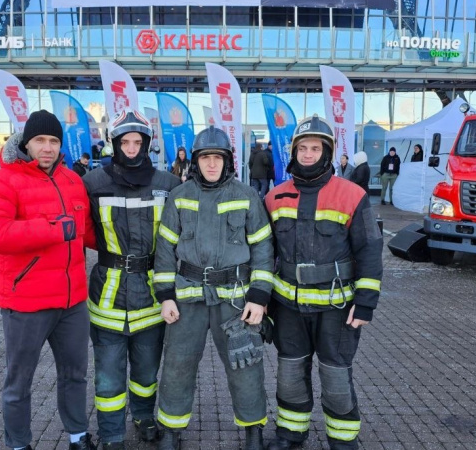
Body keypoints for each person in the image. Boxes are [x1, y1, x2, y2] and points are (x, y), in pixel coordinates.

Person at [0, 110, 97, 450]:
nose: (47, 148)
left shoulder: (72, 180)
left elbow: (87, 232)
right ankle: (19, 444)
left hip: (72, 302)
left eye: (54, 141)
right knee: (19, 381)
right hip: (26, 303)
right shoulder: (1, 181)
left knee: (75, 375)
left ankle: (77, 436)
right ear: (25, 142)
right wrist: (52, 229)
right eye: (40, 140)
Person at [264, 115, 383, 450]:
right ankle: (290, 433)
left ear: (327, 151)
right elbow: (264, 254)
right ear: (294, 151)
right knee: (289, 375)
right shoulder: (274, 197)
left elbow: (370, 251)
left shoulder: (352, 195)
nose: (307, 153)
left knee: (335, 375)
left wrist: (365, 303)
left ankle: (343, 441)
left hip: (337, 308)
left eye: (315, 147)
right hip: (287, 307)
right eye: (302, 147)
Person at [153, 126, 275, 450]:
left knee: (246, 366)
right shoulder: (179, 197)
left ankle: (253, 431)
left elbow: (263, 249)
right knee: (177, 364)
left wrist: (260, 297)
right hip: (187, 298)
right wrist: (165, 297)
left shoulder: (246, 196)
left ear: (227, 161)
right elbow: (165, 250)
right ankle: (170, 430)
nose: (211, 164)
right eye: (205, 157)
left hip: (236, 301)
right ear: (195, 161)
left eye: (217, 158)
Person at [82, 110, 181, 450]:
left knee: (146, 372)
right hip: (107, 295)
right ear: (114, 144)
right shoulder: (93, 183)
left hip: (152, 295)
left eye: (138, 142)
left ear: (148, 145)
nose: (131, 148)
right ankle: (111, 435)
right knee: (108, 377)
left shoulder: (168, 184)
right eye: (125, 142)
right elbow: (83, 232)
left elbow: (179, 238)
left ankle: (143, 417)